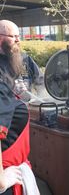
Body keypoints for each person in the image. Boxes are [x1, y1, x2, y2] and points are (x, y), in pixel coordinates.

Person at [0, 20, 40, 194]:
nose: (18, 40)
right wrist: (1, 180)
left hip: (19, 140)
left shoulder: (24, 60)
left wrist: (33, 97)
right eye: (13, 37)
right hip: (6, 170)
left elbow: (41, 84)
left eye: (19, 36)